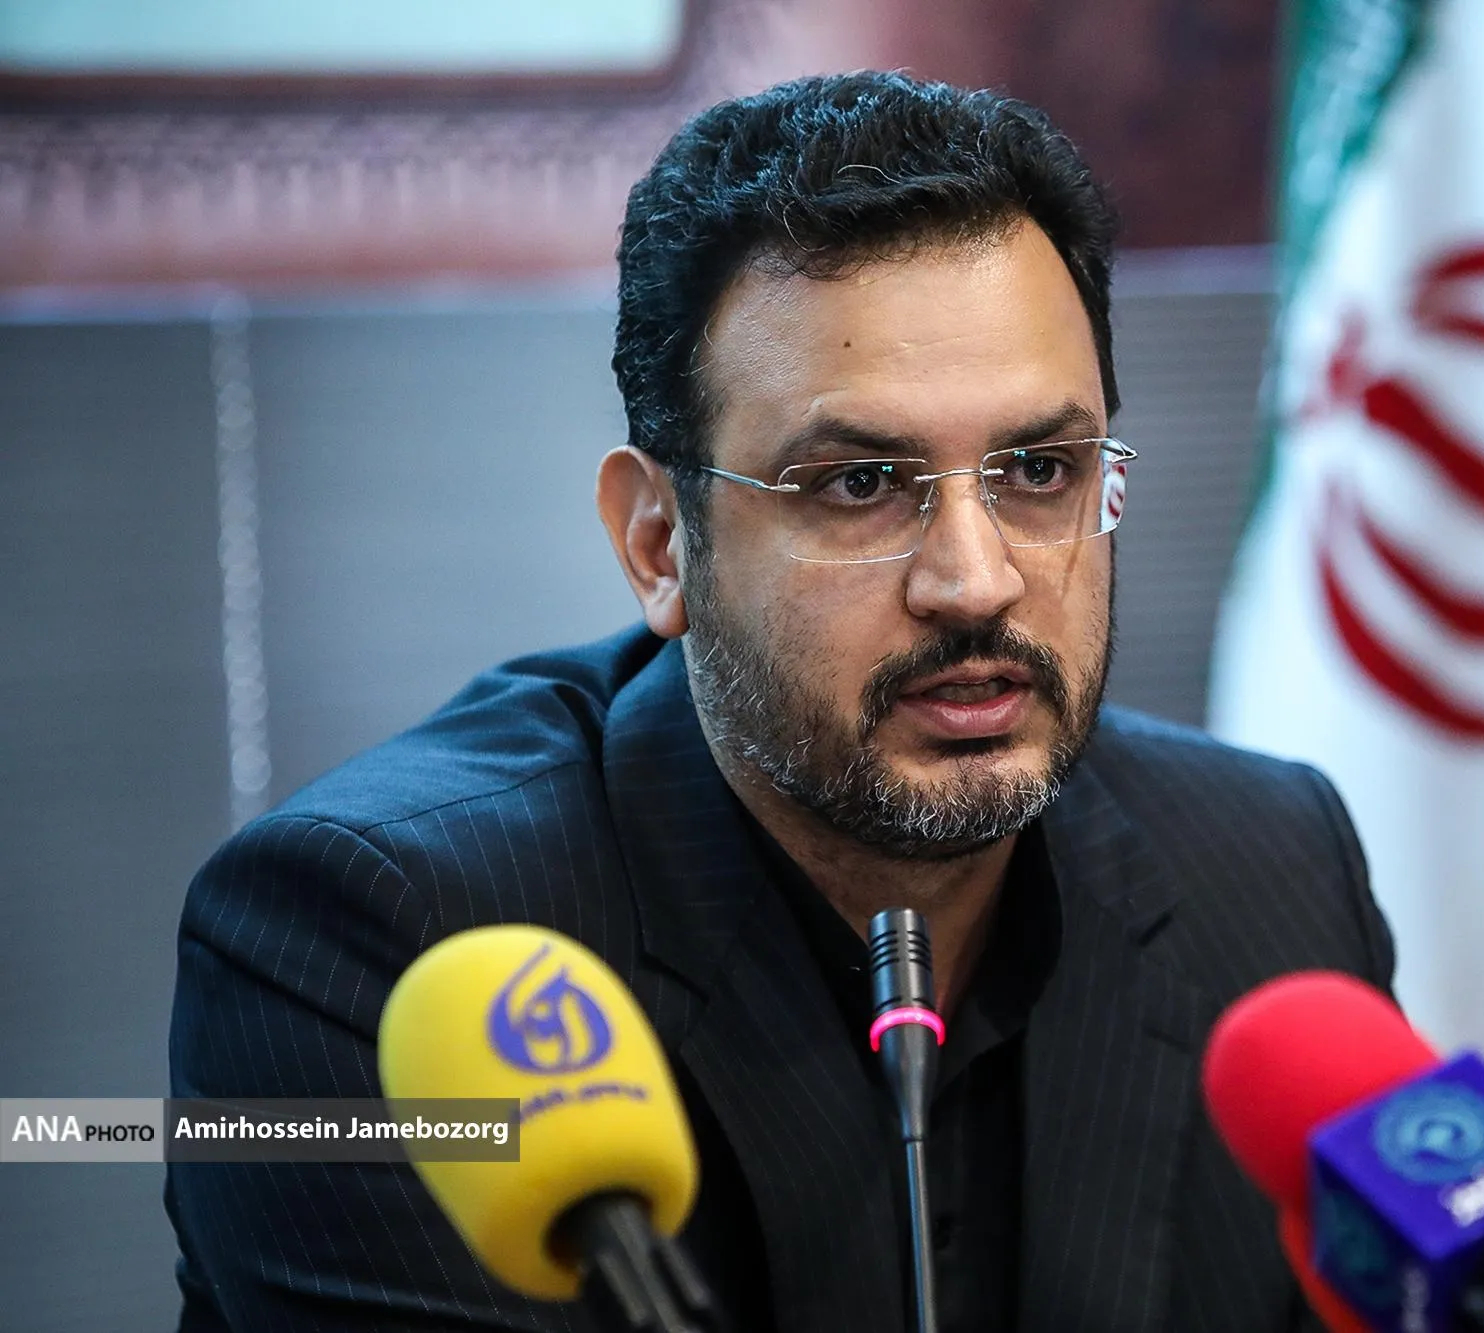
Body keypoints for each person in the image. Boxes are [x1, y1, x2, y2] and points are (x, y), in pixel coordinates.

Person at [166, 70, 1395, 1333]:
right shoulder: (372, 948)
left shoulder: (1267, 870)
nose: (975, 581)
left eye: (1038, 470)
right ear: (658, 542)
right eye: (859, 483)